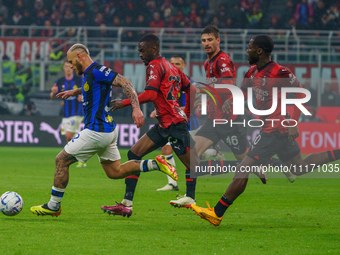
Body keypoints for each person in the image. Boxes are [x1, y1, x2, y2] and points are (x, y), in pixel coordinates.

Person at [191, 35, 340, 226]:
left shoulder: (280, 72)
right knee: (298, 167)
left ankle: (217, 212)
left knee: (243, 168)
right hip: (270, 128)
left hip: (275, 129)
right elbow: (244, 91)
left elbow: (301, 95)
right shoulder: (252, 72)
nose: (247, 50)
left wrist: (293, 122)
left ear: (260, 51)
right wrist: (231, 100)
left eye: (250, 47)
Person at [30, 43, 177, 217]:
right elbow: (91, 88)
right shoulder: (88, 74)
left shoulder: (98, 70)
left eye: (71, 61)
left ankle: (53, 206)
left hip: (96, 131)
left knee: (61, 160)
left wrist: (136, 108)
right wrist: (74, 91)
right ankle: (156, 163)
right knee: (115, 172)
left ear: (80, 57)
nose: (70, 65)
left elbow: (125, 82)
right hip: (107, 130)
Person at [100, 34, 198, 218]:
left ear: (154, 49)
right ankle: (126, 204)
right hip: (165, 123)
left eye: (142, 50)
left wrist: (127, 102)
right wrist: (187, 112)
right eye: (139, 51)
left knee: (192, 163)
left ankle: (191, 197)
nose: (140, 54)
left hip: (174, 124)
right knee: (134, 152)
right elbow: (190, 88)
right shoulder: (170, 67)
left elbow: (151, 94)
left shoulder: (155, 65)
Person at [169, 25, 251, 208]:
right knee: (192, 153)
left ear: (218, 41)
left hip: (230, 120)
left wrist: (203, 91)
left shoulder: (222, 60)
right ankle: (190, 197)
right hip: (214, 120)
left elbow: (228, 86)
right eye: (204, 40)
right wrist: (204, 99)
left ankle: (272, 161)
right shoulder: (208, 63)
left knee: (246, 161)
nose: (206, 43)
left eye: (210, 40)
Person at [156, 55, 202, 191]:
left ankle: (211, 151)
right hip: (174, 123)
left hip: (189, 124)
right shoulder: (168, 81)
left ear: (183, 66)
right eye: (172, 63)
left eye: (177, 64)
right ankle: (172, 183)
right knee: (167, 149)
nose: (174, 66)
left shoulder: (189, 83)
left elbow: (195, 101)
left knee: (192, 153)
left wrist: (179, 109)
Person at [50, 61, 85, 167]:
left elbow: (87, 92)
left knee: (69, 135)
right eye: (66, 66)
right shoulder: (60, 81)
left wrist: (83, 97)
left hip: (77, 112)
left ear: (73, 68)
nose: (68, 68)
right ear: (63, 68)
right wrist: (52, 92)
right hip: (66, 113)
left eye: (70, 67)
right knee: (69, 138)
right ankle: (81, 157)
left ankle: (73, 157)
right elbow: (52, 97)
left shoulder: (79, 80)